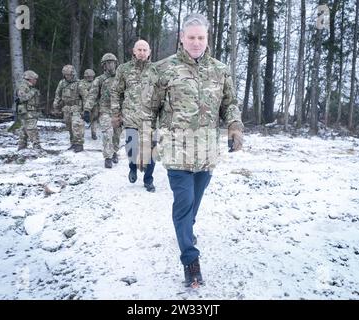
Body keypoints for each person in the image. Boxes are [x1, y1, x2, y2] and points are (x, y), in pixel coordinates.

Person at [153, 13, 244, 288]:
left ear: (207, 39)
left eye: (200, 37)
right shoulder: (163, 69)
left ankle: (185, 231)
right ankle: (190, 260)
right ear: (182, 38)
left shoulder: (220, 69)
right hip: (176, 151)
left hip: (206, 153)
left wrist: (235, 126)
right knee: (183, 204)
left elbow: (229, 103)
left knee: (192, 206)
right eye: (191, 37)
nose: (196, 42)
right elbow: (150, 107)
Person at [110, 40, 158, 192]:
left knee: (151, 151)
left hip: (150, 118)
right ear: (134, 51)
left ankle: (148, 179)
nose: (142, 53)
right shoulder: (124, 69)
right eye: (140, 50)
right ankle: (132, 167)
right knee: (132, 147)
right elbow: (115, 92)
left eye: (145, 50)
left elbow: (163, 94)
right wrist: (116, 114)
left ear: (149, 52)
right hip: (130, 116)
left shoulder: (156, 70)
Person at [84, 53, 122, 168]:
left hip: (118, 111)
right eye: (107, 63)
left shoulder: (121, 78)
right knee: (107, 133)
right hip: (105, 110)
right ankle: (107, 157)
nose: (110, 65)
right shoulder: (99, 80)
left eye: (112, 62)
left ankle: (114, 151)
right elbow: (92, 95)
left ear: (116, 63)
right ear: (103, 65)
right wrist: (87, 109)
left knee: (117, 134)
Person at [53, 65, 87, 153]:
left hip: (76, 107)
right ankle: (73, 143)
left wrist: (86, 110)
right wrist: (55, 106)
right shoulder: (62, 83)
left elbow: (85, 97)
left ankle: (79, 144)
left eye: (69, 74)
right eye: (66, 75)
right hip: (66, 107)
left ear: (73, 74)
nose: (67, 76)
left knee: (77, 125)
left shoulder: (79, 83)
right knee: (69, 126)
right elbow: (57, 95)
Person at [16, 70, 41, 151]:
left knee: (24, 128)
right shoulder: (23, 87)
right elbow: (23, 98)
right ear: (30, 79)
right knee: (32, 128)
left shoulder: (29, 87)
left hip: (30, 111)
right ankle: (36, 146)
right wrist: (32, 92)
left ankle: (22, 146)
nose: (36, 81)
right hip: (27, 111)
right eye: (34, 79)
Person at [79, 69, 97, 139]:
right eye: (89, 76)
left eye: (92, 76)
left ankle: (94, 134)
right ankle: (81, 134)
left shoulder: (95, 82)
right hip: (84, 104)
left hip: (95, 104)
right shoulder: (81, 83)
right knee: (83, 119)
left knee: (94, 119)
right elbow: (84, 94)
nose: (90, 78)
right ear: (85, 76)